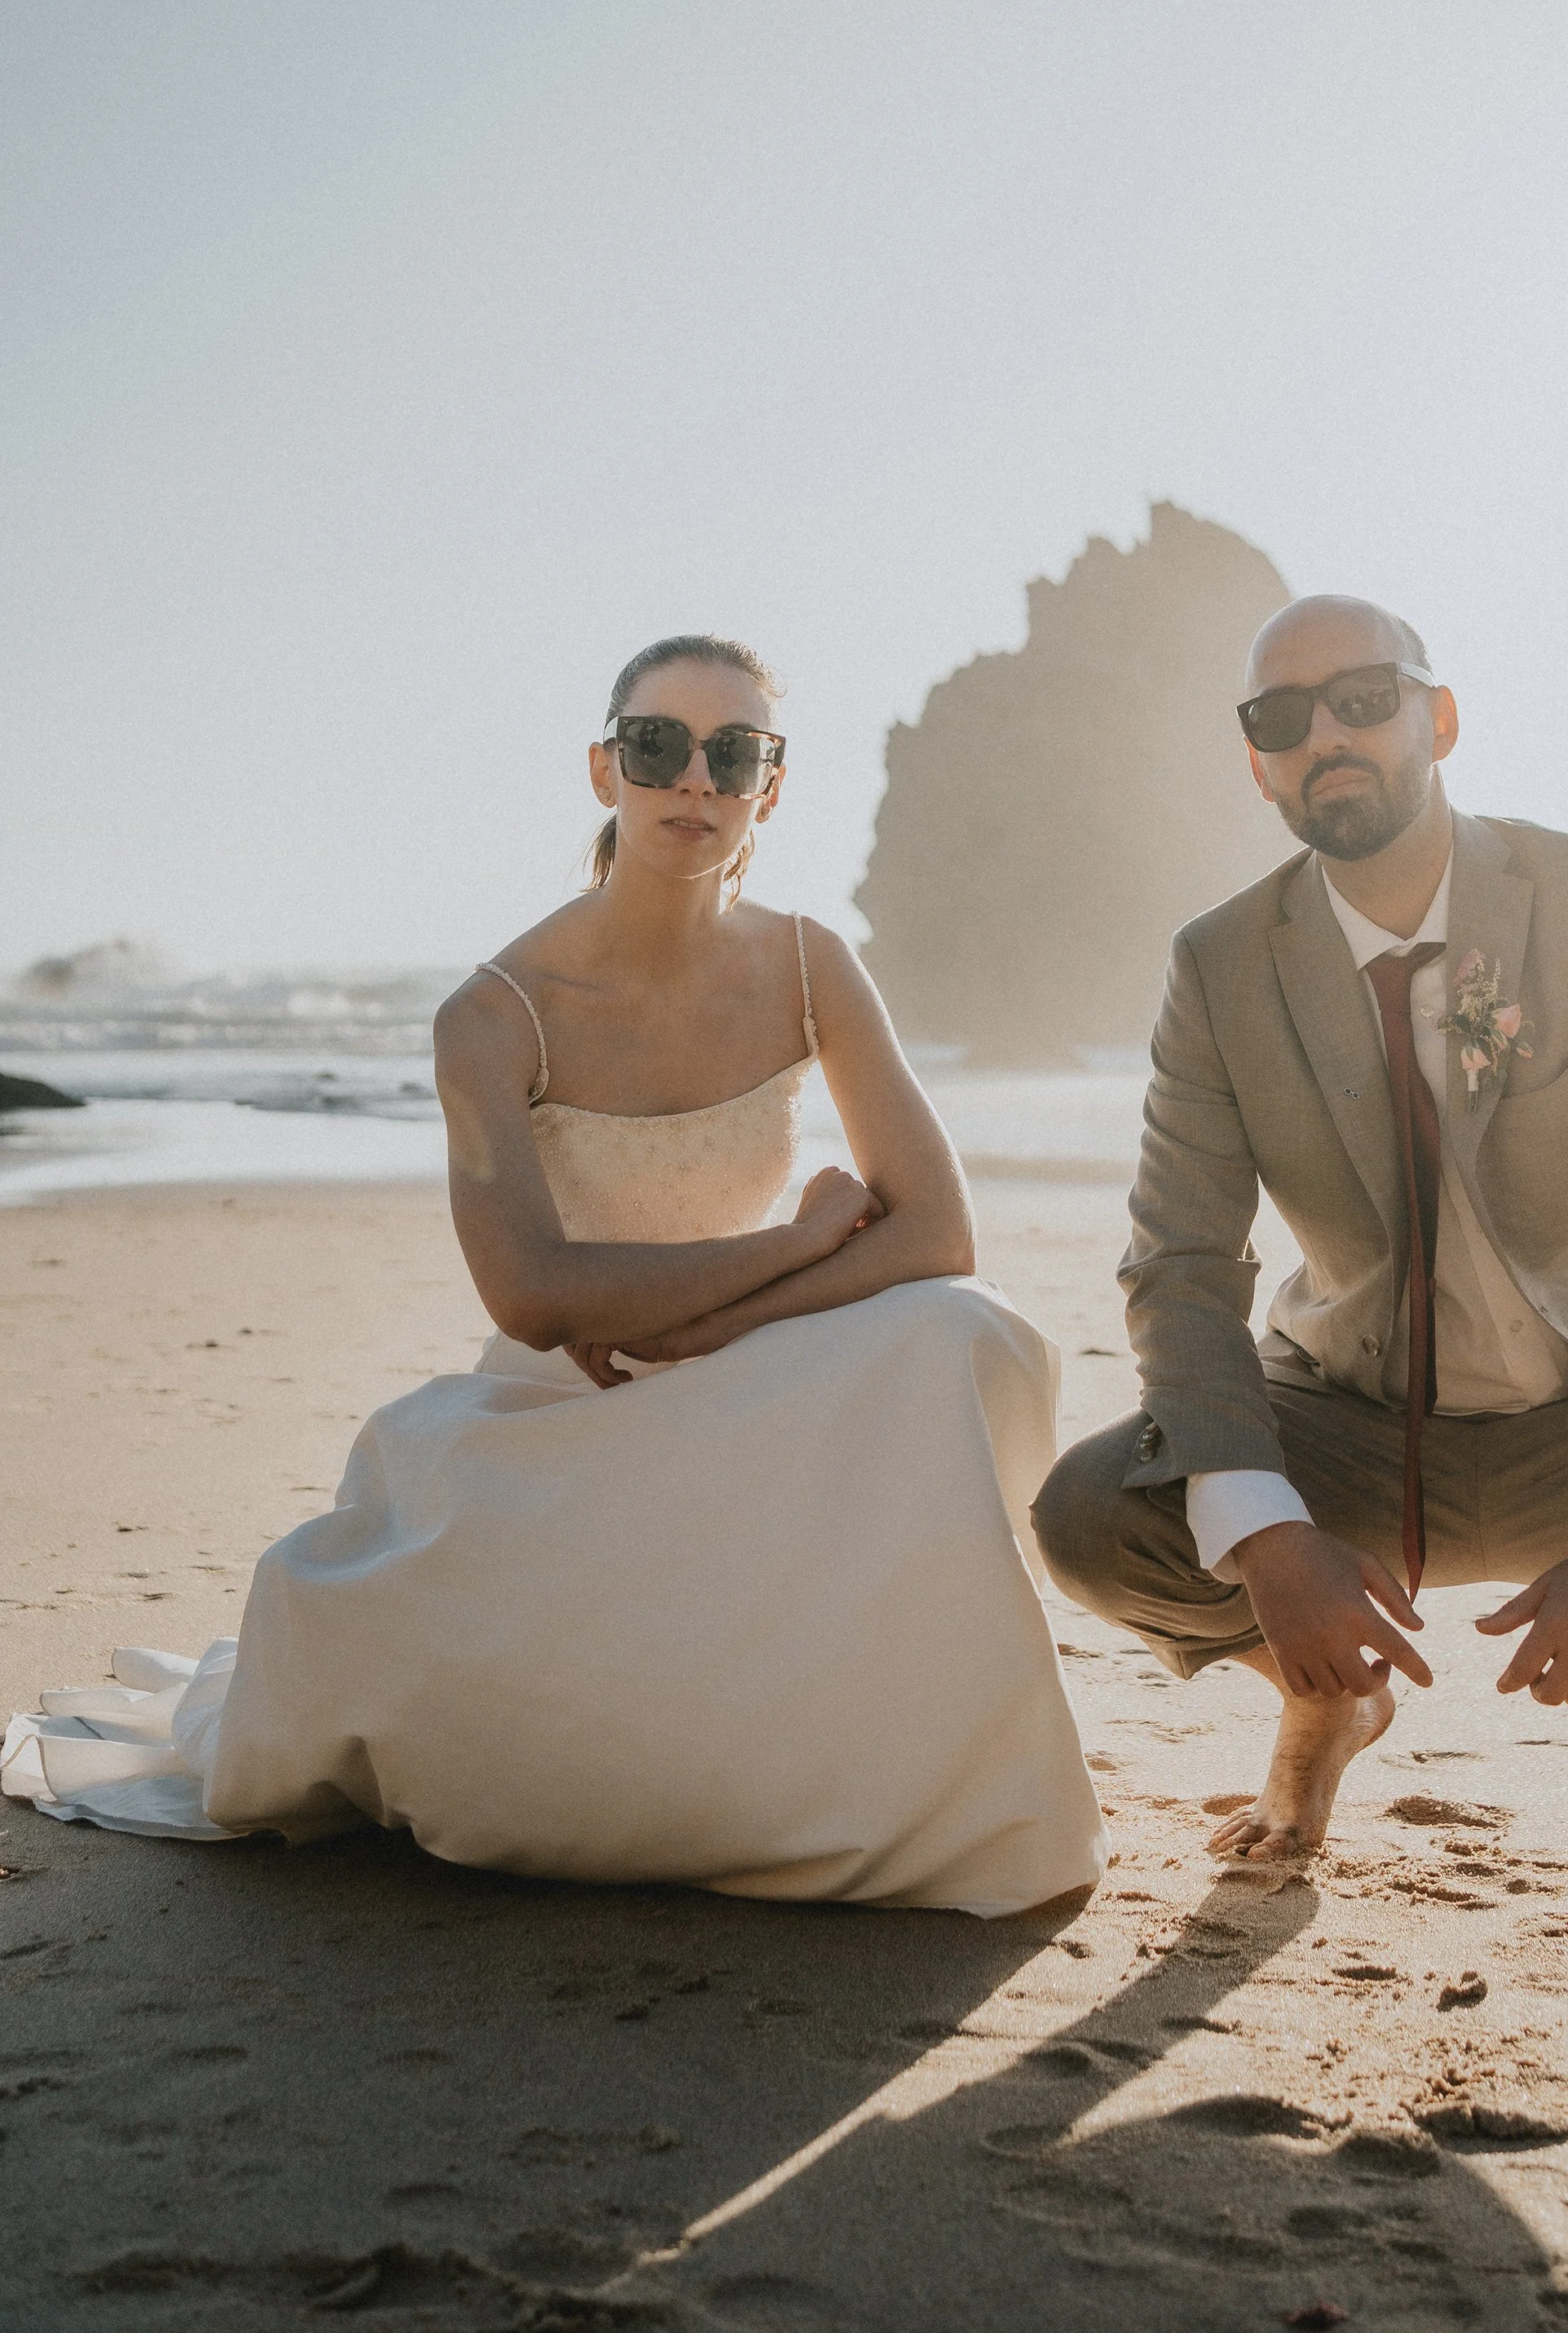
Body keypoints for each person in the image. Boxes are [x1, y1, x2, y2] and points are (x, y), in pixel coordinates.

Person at [5, 636, 1104, 1915]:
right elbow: (531, 1293)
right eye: (657, 747)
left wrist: (717, 1324)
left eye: (733, 753)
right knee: (337, 1622)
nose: (693, 780)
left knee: (971, 1333)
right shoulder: (490, 1014)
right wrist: (797, 1241)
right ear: (605, 768)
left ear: (771, 787)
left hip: (747, 1379)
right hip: (560, 1410)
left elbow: (937, 1233)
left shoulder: (813, 965)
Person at [1033, 595, 1568, 1897]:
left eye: (1363, 698)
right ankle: (1324, 1699)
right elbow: (1181, 1269)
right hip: (1348, 1419)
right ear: (1260, 765)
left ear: (1437, 717)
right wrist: (1271, 1543)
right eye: (1283, 717)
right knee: (1094, 1515)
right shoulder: (1218, 965)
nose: (1325, 732)